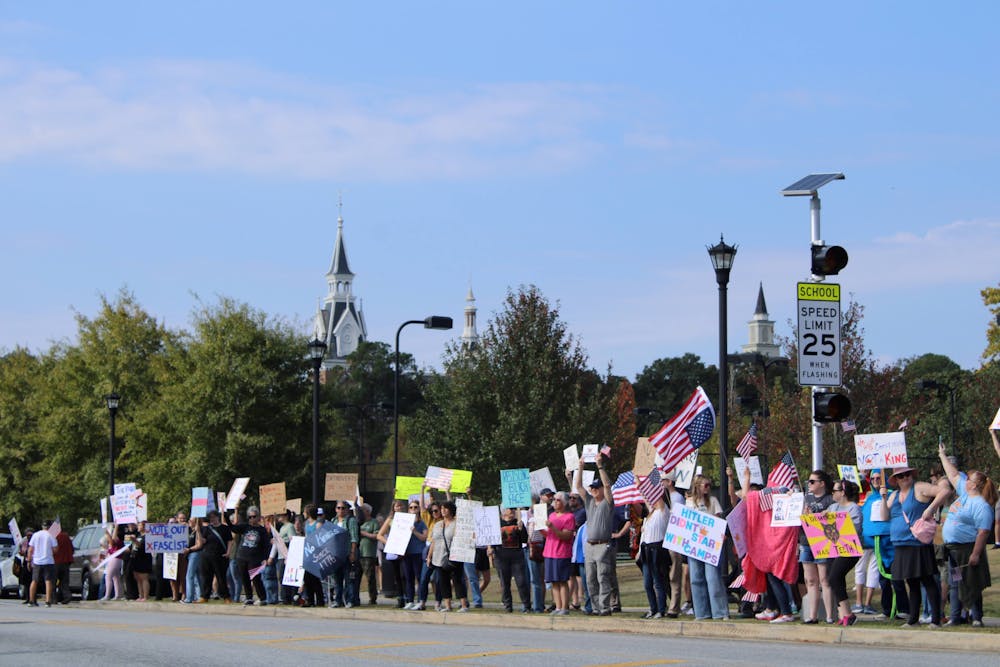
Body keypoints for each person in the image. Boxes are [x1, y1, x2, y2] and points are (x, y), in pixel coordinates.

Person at [881, 465, 949, 628]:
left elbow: (944, 491)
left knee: (927, 580)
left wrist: (931, 509)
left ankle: (935, 618)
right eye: (901, 476)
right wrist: (883, 498)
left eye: (907, 474)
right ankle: (913, 619)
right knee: (911, 582)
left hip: (917, 542)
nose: (905, 478)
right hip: (900, 543)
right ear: (896, 480)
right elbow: (884, 517)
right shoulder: (894, 495)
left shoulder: (918, 488)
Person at [937, 442, 997, 627]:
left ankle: (976, 617)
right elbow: (953, 474)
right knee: (955, 583)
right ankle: (956, 617)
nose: (965, 480)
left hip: (967, 549)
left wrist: (976, 554)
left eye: (969, 479)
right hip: (953, 550)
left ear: (975, 485)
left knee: (972, 583)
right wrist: (942, 455)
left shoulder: (981, 505)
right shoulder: (964, 493)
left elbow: (983, 532)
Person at [573, 454, 614, 616]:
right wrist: (581, 467)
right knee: (590, 579)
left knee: (602, 577)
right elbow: (579, 487)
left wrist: (600, 466)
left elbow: (608, 485)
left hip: (603, 545)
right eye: (593, 488)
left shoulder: (608, 502)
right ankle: (596, 608)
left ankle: (605, 607)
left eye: (597, 488)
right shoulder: (589, 502)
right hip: (589, 545)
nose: (594, 490)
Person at [685, 475, 729, 620]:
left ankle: (720, 612)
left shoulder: (713, 501)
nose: (708, 488)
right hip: (694, 544)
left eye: (709, 485)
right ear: (697, 486)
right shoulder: (689, 502)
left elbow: (718, 520)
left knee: (712, 578)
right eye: (706, 485)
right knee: (696, 579)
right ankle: (702, 612)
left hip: (709, 545)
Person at [799, 469, 835, 624]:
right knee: (810, 580)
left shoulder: (830, 500)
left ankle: (829, 616)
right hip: (806, 542)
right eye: (809, 482)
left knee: (824, 580)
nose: (810, 484)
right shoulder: (806, 498)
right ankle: (812, 615)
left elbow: (832, 521)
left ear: (822, 484)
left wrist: (815, 516)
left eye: (812, 481)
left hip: (823, 542)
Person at [826, 480, 863, 625]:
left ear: (842, 492)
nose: (832, 493)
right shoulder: (833, 507)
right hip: (833, 548)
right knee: (835, 579)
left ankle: (848, 613)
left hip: (850, 549)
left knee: (834, 577)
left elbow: (855, 529)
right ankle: (843, 615)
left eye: (835, 491)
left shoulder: (854, 508)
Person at [425, 500, 469, 612]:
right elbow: (433, 542)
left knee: (457, 580)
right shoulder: (437, 525)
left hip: (454, 556)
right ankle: (448, 605)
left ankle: (464, 605)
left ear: (451, 510)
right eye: (442, 508)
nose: (443, 510)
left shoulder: (457, 523)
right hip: (438, 557)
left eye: (446, 508)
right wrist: (429, 556)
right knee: (443, 581)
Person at [227, 504, 271, 606]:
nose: (252, 519)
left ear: (258, 517)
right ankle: (249, 597)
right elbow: (233, 528)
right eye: (250, 517)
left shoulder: (262, 530)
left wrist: (266, 558)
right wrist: (226, 515)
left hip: (255, 558)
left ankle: (263, 598)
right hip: (242, 556)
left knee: (255, 578)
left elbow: (266, 545)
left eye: (254, 516)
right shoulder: (245, 527)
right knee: (244, 578)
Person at [541, 491, 576, 615]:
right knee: (553, 581)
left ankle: (564, 607)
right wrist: (541, 529)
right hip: (549, 552)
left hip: (561, 553)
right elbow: (548, 534)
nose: (555, 502)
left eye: (558, 500)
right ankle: (557, 607)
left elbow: (566, 536)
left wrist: (553, 527)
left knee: (562, 580)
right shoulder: (552, 516)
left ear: (565, 502)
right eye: (554, 499)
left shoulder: (569, 517)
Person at [491, 506, 530, 613]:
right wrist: (490, 549)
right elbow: (491, 539)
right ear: (504, 511)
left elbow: (524, 540)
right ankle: (508, 605)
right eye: (510, 509)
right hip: (501, 557)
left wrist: (522, 530)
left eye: (513, 509)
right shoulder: (497, 523)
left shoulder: (518, 523)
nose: (512, 511)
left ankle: (526, 605)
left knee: (521, 581)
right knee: (505, 582)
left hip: (517, 557)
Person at [639, 494, 669, 619]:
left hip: (657, 548)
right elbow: (646, 497)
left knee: (658, 581)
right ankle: (653, 608)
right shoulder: (650, 515)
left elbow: (658, 498)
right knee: (647, 583)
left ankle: (661, 609)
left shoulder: (663, 511)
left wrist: (653, 484)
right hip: (646, 549)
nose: (652, 501)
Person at [376, 500, 408, 609]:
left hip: (406, 551)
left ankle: (409, 597)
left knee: (406, 575)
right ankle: (401, 598)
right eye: (396, 506)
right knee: (398, 576)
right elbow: (379, 535)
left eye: (400, 506)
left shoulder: (408, 518)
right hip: (394, 551)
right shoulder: (390, 519)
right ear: (393, 508)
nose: (399, 508)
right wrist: (389, 543)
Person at [329, 501, 360, 608]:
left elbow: (354, 537)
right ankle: (338, 600)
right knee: (337, 579)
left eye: (343, 508)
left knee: (349, 579)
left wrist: (352, 552)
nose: (341, 510)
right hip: (336, 554)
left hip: (347, 553)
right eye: (339, 508)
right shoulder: (333, 521)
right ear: (335, 509)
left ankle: (350, 600)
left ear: (347, 509)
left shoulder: (351, 521)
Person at [198, 510, 232, 603]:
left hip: (220, 556)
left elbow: (229, 541)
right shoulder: (207, 529)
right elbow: (202, 542)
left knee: (221, 577)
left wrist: (228, 552)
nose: (212, 519)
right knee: (206, 577)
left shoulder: (225, 528)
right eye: (210, 518)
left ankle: (226, 596)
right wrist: (198, 532)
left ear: (217, 517)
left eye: (214, 517)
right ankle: (204, 596)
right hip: (207, 555)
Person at [400, 501, 428, 610]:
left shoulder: (421, 523)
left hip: (418, 553)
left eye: (415, 507)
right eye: (411, 507)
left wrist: (415, 531)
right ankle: (410, 600)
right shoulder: (404, 522)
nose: (413, 509)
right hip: (407, 553)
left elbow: (424, 537)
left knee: (419, 577)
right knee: (408, 578)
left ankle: (421, 601)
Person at [27, 521, 58, 607]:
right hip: (48, 561)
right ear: (49, 527)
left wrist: (29, 560)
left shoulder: (35, 535)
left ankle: (31, 600)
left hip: (37, 561)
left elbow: (30, 549)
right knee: (48, 581)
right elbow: (55, 549)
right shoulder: (51, 535)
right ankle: (48, 601)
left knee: (34, 580)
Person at [357, 504, 380, 606]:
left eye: (362, 510)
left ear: (368, 511)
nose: (360, 512)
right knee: (356, 577)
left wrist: (364, 533)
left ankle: (373, 598)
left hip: (368, 553)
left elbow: (376, 535)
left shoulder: (373, 522)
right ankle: (355, 598)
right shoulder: (358, 522)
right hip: (358, 553)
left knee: (370, 577)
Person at [101, 525, 125, 601]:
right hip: (116, 559)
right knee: (116, 577)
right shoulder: (116, 540)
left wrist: (108, 533)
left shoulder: (118, 539)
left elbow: (112, 541)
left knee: (108, 576)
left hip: (115, 558)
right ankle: (118, 594)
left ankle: (107, 595)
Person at [53, 524, 74, 604]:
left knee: (53, 581)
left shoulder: (53, 537)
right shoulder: (66, 537)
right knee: (64, 581)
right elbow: (71, 549)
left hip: (55, 562)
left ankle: (53, 598)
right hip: (66, 562)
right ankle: (67, 595)